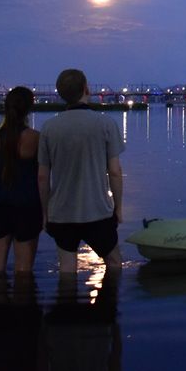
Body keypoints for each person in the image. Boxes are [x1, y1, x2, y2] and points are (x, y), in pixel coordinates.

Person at [38, 68, 125, 276]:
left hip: (61, 213)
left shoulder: (49, 128)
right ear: (86, 89)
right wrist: (118, 208)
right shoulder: (106, 124)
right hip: (97, 211)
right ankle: (108, 303)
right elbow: (114, 171)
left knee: (67, 268)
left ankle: (66, 305)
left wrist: (45, 213)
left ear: (61, 94)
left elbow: (42, 176)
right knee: (114, 262)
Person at [0, 86, 42, 274]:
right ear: (29, 109)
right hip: (28, 206)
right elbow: (41, 173)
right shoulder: (34, 138)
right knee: (24, 271)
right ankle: (24, 301)